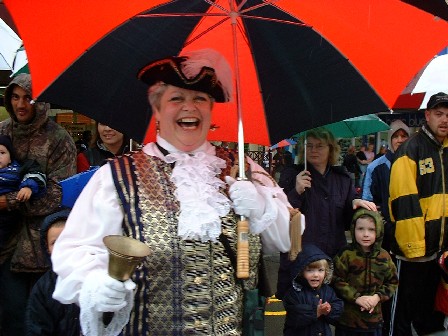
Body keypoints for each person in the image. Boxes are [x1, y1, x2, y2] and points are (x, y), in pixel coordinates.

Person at [51, 49, 291, 335]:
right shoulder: (117, 176)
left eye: (199, 99)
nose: (189, 107)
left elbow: (287, 239)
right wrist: (94, 282)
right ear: (157, 110)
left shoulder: (243, 168)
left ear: (211, 109)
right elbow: (76, 248)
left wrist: (261, 206)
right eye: (176, 99)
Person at [0, 73, 77, 336]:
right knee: (9, 317)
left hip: (41, 248)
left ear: (40, 102)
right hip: (4, 244)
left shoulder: (59, 139)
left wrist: (7, 201)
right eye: (15, 97)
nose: (21, 104)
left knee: (39, 321)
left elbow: (59, 193)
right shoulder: (2, 131)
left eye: (28, 98)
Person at [389, 92, 448, 335]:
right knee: (402, 313)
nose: (445, 119)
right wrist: (414, 248)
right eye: (439, 114)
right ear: (427, 115)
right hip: (414, 253)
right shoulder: (410, 150)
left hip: (440, 251)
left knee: (430, 315)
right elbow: (404, 203)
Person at [333, 209, 398, 336]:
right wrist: (356, 297)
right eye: (360, 229)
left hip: (373, 320)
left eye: (371, 230)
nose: (365, 234)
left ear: (378, 231)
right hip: (348, 321)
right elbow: (336, 279)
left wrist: (377, 297)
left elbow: (393, 282)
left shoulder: (384, 256)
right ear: (353, 229)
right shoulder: (346, 254)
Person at [25, 209, 81, 336]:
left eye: (67, 239)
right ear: (47, 248)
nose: (62, 246)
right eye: (55, 242)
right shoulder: (43, 288)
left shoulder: (97, 277)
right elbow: (36, 329)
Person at [362, 119, 410, 252]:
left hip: (411, 231)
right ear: (390, 139)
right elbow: (367, 201)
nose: (400, 140)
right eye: (395, 136)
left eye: (404, 136)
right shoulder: (375, 167)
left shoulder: (417, 164)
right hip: (385, 235)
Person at [281, 243, 343, 336]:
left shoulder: (328, 291)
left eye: (320, 270)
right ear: (301, 272)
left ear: (326, 272)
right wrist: (316, 312)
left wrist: (330, 310)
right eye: (310, 270)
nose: (316, 275)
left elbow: (338, 309)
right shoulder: (294, 292)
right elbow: (295, 316)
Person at [0, 135, 46, 249]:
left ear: (10, 157)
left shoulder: (17, 170)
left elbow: (35, 175)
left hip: (7, 216)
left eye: (2, 153)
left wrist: (28, 187)